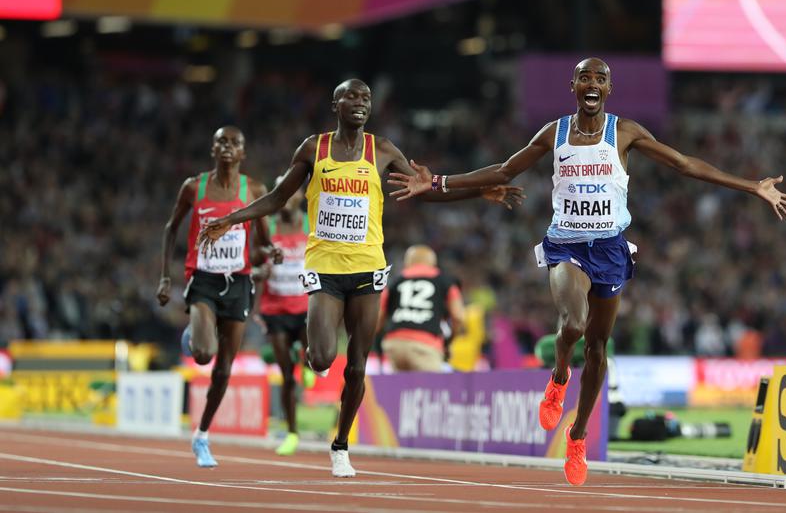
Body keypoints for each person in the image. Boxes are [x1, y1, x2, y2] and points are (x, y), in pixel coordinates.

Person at [388, 57, 786, 486]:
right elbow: (505, 169)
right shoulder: (555, 132)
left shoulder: (625, 132)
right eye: (585, 76)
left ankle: (578, 434)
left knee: (599, 349)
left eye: (600, 78)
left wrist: (751, 186)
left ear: (608, 88)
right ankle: (560, 373)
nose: (592, 83)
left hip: (611, 249)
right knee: (574, 323)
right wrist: (437, 183)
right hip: (566, 244)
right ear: (573, 85)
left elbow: (684, 164)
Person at [197, 79, 522, 478]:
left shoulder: (382, 149)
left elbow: (425, 189)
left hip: (367, 268)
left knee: (356, 367)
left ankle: (340, 446)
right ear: (336, 104)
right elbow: (278, 198)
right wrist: (230, 219)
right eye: (351, 96)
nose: (360, 103)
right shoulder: (313, 148)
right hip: (326, 269)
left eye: (366, 98)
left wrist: (479, 190)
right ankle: (314, 362)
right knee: (320, 357)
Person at [157, 126, 277, 468]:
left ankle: (202, 436)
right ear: (213, 149)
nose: (227, 147)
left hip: (238, 283)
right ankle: (195, 335)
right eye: (221, 141)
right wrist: (166, 276)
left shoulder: (253, 189)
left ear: (243, 152)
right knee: (203, 354)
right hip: (203, 280)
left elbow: (263, 240)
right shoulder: (194, 187)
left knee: (224, 369)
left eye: (234, 143)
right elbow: (171, 228)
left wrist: (273, 253)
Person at [254, 183, 314, 456]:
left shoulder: (311, 223)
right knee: (287, 376)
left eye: (292, 193)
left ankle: (309, 365)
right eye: (281, 192)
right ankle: (292, 433)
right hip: (275, 308)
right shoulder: (267, 227)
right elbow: (253, 260)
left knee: (315, 355)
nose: (287, 198)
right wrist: (260, 271)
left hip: (305, 307)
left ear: (301, 196)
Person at [378, 245, 464, 372]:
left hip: (395, 344)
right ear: (433, 262)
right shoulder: (445, 281)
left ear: (408, 262)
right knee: (431, 390)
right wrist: (449, 341)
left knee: (399, 390)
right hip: (426, 345)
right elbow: (458, 316)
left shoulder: (394, 282)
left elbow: (377, 318)